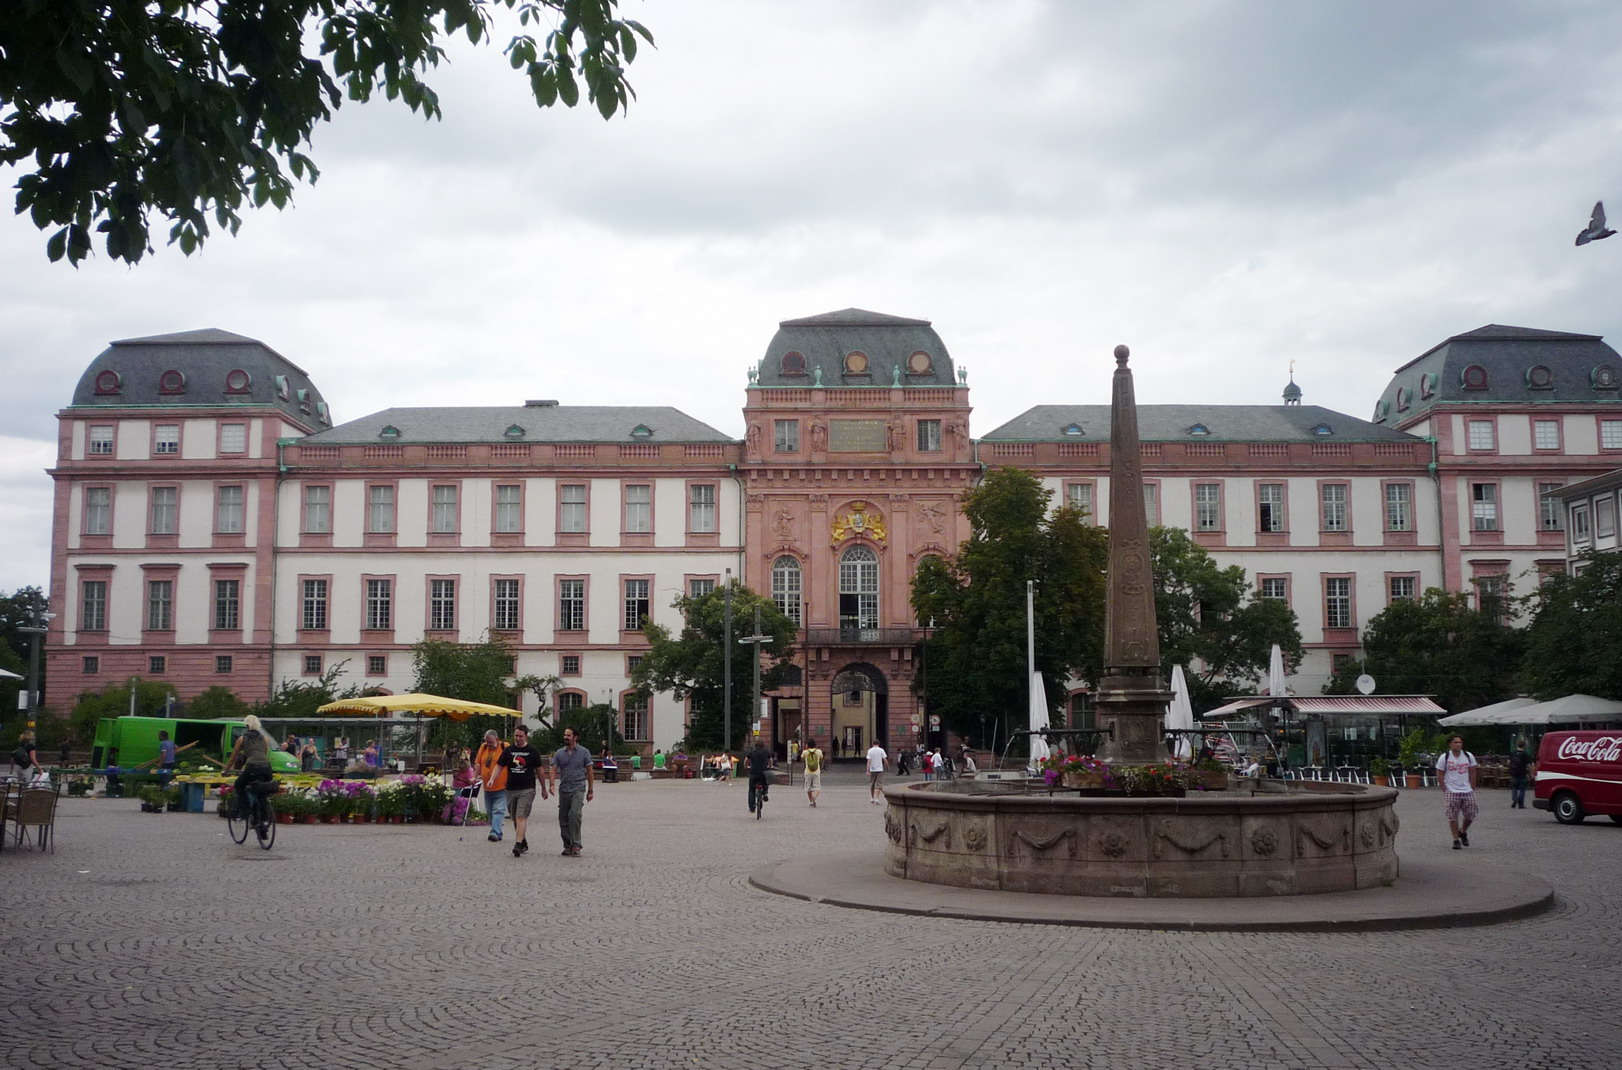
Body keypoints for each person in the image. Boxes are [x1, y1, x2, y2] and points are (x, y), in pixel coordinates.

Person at [497, 724, 546, 858]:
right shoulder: (508, 751)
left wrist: (544, 788)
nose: (518, 738)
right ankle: (523, 841)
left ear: (526, 736)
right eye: (516, 736)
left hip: (527, 788)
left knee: (521, 816)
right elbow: (499, 766)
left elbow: (540, 770)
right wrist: (492, 779)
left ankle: (518, 844)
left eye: (520, 736)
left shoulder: (532, 751)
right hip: (511, 788)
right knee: (514, 818)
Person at [547, 726, 594, 856]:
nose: (565, 737)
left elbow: (590, 771)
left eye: (568, 735)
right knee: (563, 818)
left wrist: (590, 790)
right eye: (565, 735)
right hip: (564, 789)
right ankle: (567, 844)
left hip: (578, 788)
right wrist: (551, 784)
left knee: (575, 815)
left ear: (575, 737)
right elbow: (553, 769)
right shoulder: (559, 753)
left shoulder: (584, 752)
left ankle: (576, 844)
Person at [223, 715, 277, 823]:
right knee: (261, 792)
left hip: (252, 767)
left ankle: (245, 809)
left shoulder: (242, 739)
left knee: (239, 785)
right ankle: (264, 822)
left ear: (247, 725)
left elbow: (233, 757)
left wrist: (226, 770)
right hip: (266, 768)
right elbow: (264, 754)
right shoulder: (264, 738)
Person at [1435, 734, 1480, 849]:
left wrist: (1473, 785)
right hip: (1451, 789)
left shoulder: (1468, 756)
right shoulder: (1444, 757)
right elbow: (1439, 773)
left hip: (1467, 789)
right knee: (1452, 816)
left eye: (1460, 742)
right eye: (1455, 742)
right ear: (1450, 744)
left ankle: (1463, 831)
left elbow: (1473, 771)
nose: (1458, 744)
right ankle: (1455, 839)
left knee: (1470, 814)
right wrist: (1444, 788)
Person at [475, 729, 510, 843]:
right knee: (490, 812)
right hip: (487, 787)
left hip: (502, 785)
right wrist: (474, 777)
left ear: (496, 739)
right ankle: (498, 831)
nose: (488, 744)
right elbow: (478, 763)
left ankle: (494, 832)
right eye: (487, 741)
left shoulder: (505, 747)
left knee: (498, 810)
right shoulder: (483, 747)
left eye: (490, 742)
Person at [746, 736, 773, 813]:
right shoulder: (766, 752)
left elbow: (746, 761)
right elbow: (770, 760)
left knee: (751, 789)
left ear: (755, 745)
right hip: (763, 773)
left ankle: (752, 807)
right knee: (766, 782)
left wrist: (747, 766)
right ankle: (765, 793)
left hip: (753, 773)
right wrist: (769, 766)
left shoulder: (752, 752)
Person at [1508, 738, 1533, 810]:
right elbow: (1529, 766)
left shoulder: (1512, 753)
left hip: (1514, 773)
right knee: (1522, 789)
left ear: (1517, 745)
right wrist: (1530, 774)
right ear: (1524, 746)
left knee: (1514, 788)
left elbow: (1508, 763)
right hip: (1522, 774)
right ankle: (1521, 804)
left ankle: (1514, 799)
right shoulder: (1525, 754)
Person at [802, 737, 824, 807]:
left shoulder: (805, 752)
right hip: (816, 771)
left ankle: (811, 801)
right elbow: (821, 759)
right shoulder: (819, 751)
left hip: (808, 772)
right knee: (817, 787)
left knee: (808, 787)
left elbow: (802, 758)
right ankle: (814, 796)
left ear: (807, 745)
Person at [866, 738, 888, 805]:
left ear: (873, 744)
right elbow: (885, 759)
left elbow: (868, 761)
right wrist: (887, 766)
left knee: (872, 783)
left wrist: (867, 770)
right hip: (880, 769)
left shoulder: (870, 751)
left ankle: (872, 798)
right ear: (878, 744)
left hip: (872, 769)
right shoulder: (881, 750)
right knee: (878, 784)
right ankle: (877, 799)